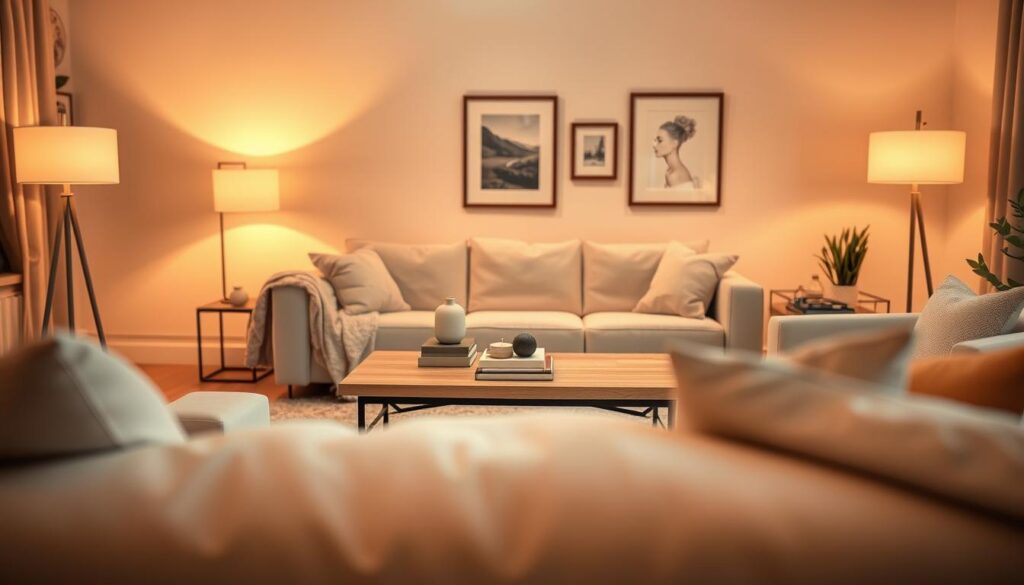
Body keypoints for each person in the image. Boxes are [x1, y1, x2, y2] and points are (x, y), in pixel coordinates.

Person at [653, 115, 697, 188]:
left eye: (660, 140)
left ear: (674, 144)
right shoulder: (670, 171)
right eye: (656, 140)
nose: (654, 145)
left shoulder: (675, 175)